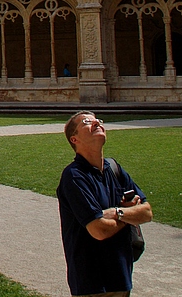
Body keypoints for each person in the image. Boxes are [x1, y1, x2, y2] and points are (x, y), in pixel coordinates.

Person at [57, 111, 152, 297]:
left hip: (121, 277)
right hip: (92, 284)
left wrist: (116, 213)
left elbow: (147, 212)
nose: (96, 123)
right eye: (86, 122)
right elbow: (99, 230)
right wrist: (127, 213)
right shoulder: (74, 177)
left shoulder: (114, 169)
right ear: (74, 139)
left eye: (98, 120)